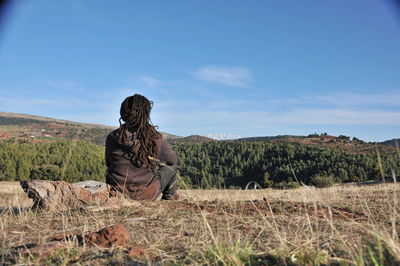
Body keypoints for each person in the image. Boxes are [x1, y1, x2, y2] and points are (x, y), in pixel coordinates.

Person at [105, 94, 179, 201]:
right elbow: (172, 160)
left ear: (123, 112)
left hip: (118, 194)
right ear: (146, 113)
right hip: (147, 195)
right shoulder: (155, 137)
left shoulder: (112, 137)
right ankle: (169, 200)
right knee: (171, 167)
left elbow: (108, 163)